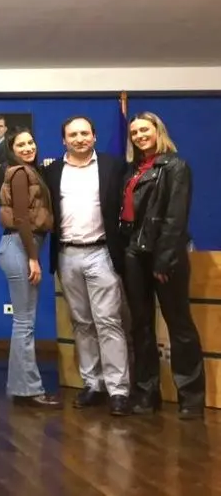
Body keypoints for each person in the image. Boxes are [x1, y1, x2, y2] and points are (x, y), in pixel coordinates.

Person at [43, 116, 130, 416]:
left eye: (84, 133)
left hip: (101, 253)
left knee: (108, 322)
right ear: (64, 140)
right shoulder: (52, 171)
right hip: (67, 255)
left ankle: (118, 390)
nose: (79, 139)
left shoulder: (113, 166)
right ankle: (93, 384)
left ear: (94, 136)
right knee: (81, 323)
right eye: (73, 135)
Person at [120, 111, 205, 420]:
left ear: (158, 131)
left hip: (164, 255)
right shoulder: (133, 170)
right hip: (134, 254)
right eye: (134, 132)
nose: (139, 136)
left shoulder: (175, 166)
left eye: (145, 130)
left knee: (179, 325)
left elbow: (175, 218)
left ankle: (191, 398)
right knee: (141, 326)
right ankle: (146, 393)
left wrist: (164, 258)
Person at [0, 128, 61, 408]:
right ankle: (29, 390)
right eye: (20, 145)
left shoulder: (31, 172)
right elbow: (22, 217)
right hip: (20, 247)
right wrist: (33, 258)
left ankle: (22, 387)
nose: (27, 148)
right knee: (24, 322)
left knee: (25, 321)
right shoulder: (20, 173)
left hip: (22, 246)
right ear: (12, 150)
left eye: (30, 142)